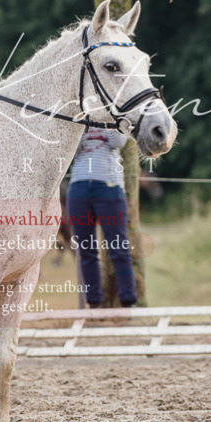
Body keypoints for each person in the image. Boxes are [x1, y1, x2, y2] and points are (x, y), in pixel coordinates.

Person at [66, 128, 137, 307]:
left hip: (109, 187)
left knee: (118, 246)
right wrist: (82, 124)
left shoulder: (114, 118)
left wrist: (106, 119)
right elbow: (71, 149)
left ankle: (128, 300)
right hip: (79, 188)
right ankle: (94, 302)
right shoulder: (80, 120)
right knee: (86, 250)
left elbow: (119, 142)